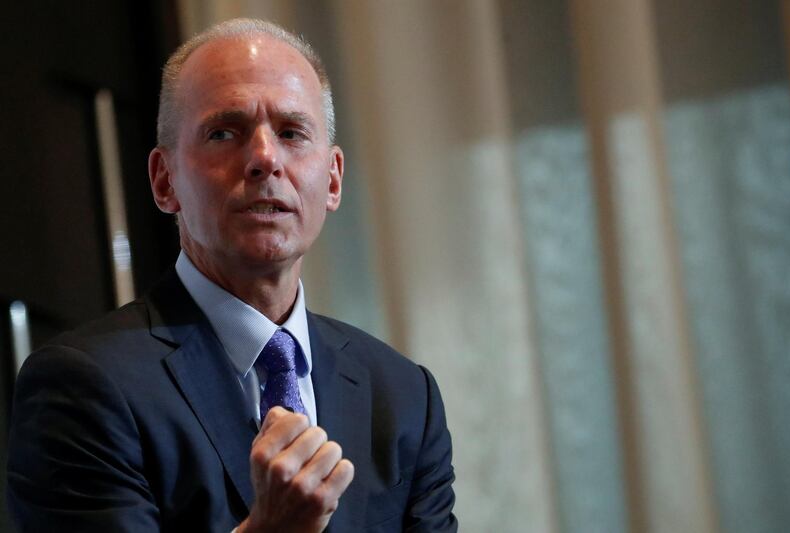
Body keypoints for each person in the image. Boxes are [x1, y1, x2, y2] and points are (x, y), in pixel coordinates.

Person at [7, 18, 457, 532]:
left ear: (332, 180)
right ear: (164, 180)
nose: (265, 158)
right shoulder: (83, 387)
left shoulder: (403, 396)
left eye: (291, 133)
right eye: (224, 132)